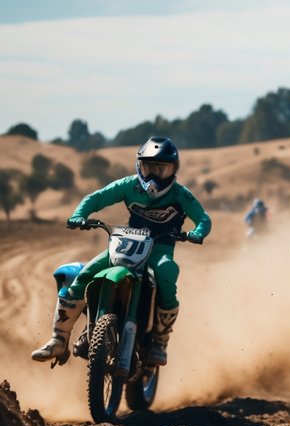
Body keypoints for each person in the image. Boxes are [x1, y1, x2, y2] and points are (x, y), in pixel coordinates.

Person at [31, 137, 211, 366]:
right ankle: (59, 339)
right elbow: (96, 198)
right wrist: (79, 215)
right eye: (149, 168)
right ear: (139, 166)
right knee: (84, 276)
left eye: (161, 169)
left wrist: (197, 232)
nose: (154, 176)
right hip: (129, 242)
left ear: (173, 170)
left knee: (166, 272)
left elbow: (203, 218)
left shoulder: (179, 194)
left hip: (161, 247)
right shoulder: (129, 185)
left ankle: (160, 340)